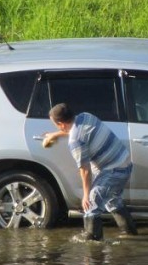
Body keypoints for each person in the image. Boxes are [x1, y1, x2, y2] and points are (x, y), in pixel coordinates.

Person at [43, 103, 137, 241]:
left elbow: (85, 170)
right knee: (112, 200)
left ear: (61, 124)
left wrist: (86, 195)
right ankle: (130, 235)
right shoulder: (86, 116)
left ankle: (93, 242)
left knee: (91, 205)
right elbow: (73, 130)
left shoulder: (75, 141)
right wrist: (55, 135)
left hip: (114, 170)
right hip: (124, 162)